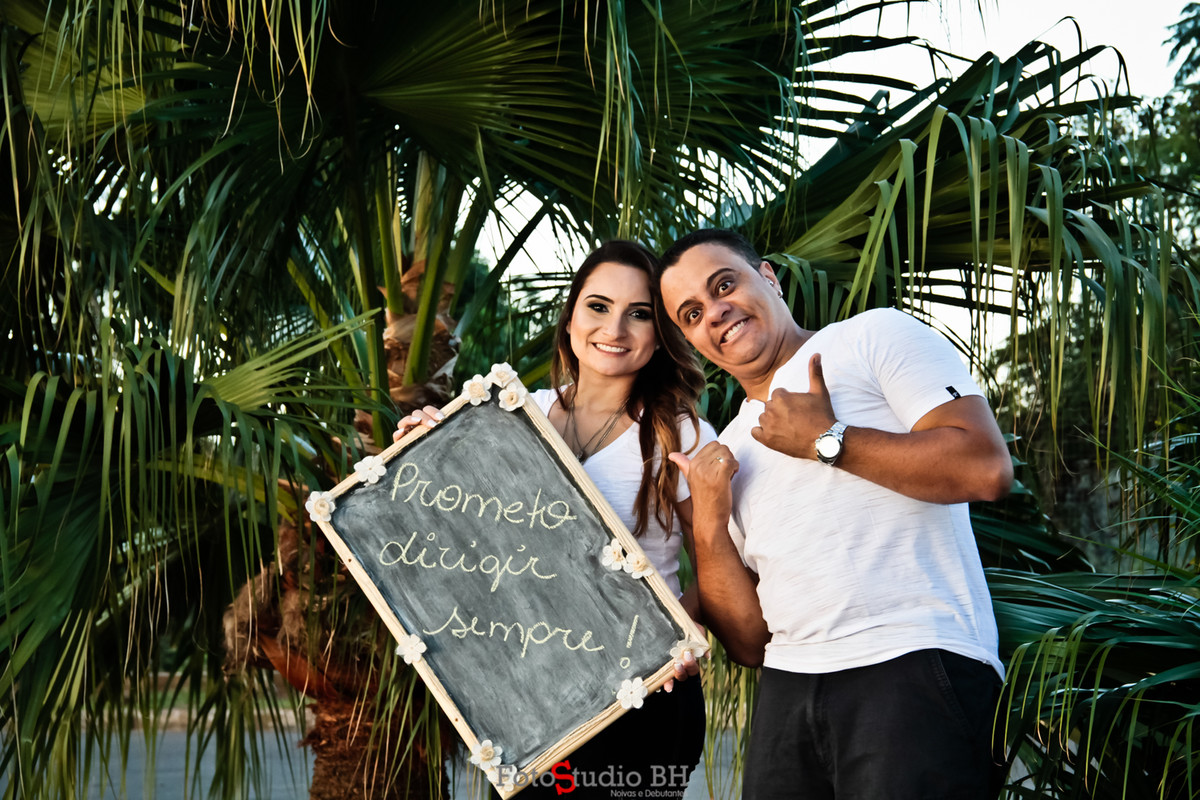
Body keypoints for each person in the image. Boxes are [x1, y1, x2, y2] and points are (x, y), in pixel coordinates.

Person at [654, 228, 1013, 800]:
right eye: (692, 314)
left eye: (724, 285)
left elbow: (985, 467)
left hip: (913, 660)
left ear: (768, 277)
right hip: (787, 691)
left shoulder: (872, 336)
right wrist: (709, 524)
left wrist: (827, 439)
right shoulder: (729, 448)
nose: (715, 312)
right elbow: (749, 643)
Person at [395, 240, 716, 799]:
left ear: (659, 332)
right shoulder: (507, 417)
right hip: (530, 701)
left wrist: (676, 641)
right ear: (570, 319)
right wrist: (428, 451)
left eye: (639, 313)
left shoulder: (678, 432)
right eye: (598, 306)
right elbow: (456, 543)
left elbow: (715, 560)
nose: (615, 328)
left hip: (640, 699)